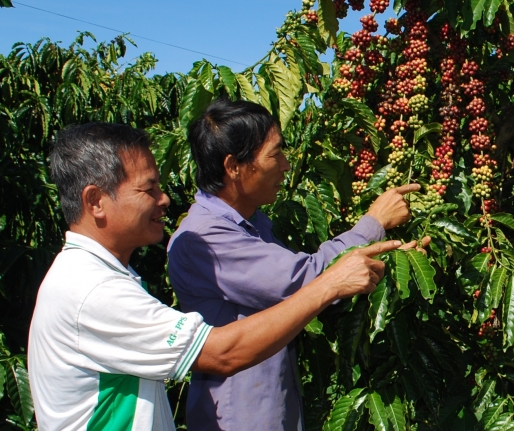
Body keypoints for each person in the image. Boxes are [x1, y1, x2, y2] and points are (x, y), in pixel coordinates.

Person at [29, 122, 397, 431]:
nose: (164, 199)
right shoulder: (93, 291)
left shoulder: (99, 276)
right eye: (148, 189)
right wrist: (330, 282)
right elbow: (221, 352)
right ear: (95, 201)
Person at [167, 98, 426, 431]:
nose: (286, 165)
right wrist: (374, 222)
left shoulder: (251, 222)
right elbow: (306, 280)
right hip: (241, 418)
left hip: (271, 405)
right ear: (234, 167)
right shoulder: (205, 238)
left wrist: (390, 253)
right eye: (275, 155)